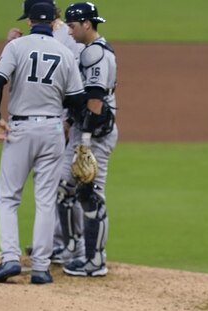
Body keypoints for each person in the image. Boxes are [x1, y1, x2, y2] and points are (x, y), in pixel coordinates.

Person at [0, 2, 84, 284]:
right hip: (53, 128)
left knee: (8, 197)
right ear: (55, 21)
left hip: (20, 128)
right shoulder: (65, 51)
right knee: (45, 200)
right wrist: (63, 118)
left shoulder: (16, 47)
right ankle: (41, 268)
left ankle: (9, 259)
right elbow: (77, 99)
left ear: (29, 21)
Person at [58, 2, 118, 277]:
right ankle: (71, 247)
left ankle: (95, 260)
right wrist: (72, 123)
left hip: (95, 136)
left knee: (91, 194)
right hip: (83, 133)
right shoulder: (88, 51)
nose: (69, 32)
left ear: (86, 24)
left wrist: (84, 139)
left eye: (71, 26)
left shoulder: (96, 53)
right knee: (65, 189)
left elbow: (95, 100)